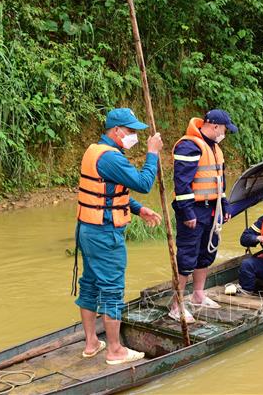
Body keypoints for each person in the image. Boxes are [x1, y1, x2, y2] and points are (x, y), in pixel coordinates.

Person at [74, 107, 163, 365]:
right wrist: (152, 153)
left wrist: (138, 209)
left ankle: (92, 343)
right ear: (116, 131)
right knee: (112, 290)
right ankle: (115, 350)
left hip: (87, 230)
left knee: (90, 284)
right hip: (105, 234)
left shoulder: (96, 151)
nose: (133, 136)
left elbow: (109, 192)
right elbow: (144, 183)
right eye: (130, 131)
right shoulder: (112, 158)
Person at [170, 109, 237, 322]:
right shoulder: (189, 146)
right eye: (225, 129)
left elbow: (220, 182)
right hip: (194, 210)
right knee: (187, 257)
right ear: (215, 126)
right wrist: (188, 212)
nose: (225, 133)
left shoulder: (215, 148)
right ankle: (176, 305)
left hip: (212, 208)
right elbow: (181, 183)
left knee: (206, 253)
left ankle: (198, 295)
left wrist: (224, 206)